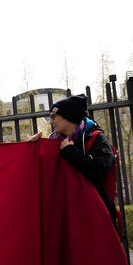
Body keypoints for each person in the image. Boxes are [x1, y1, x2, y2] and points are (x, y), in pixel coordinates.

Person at [29, 94, 119, 230]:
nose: (51, 122)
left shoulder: (97, 138)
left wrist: (70, 151)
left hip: (95, 217)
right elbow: (41, 174)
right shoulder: (54, 142)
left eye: (54, 116)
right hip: (66, 217)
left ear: (69, 116)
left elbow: (98, 172)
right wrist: (34, 148)